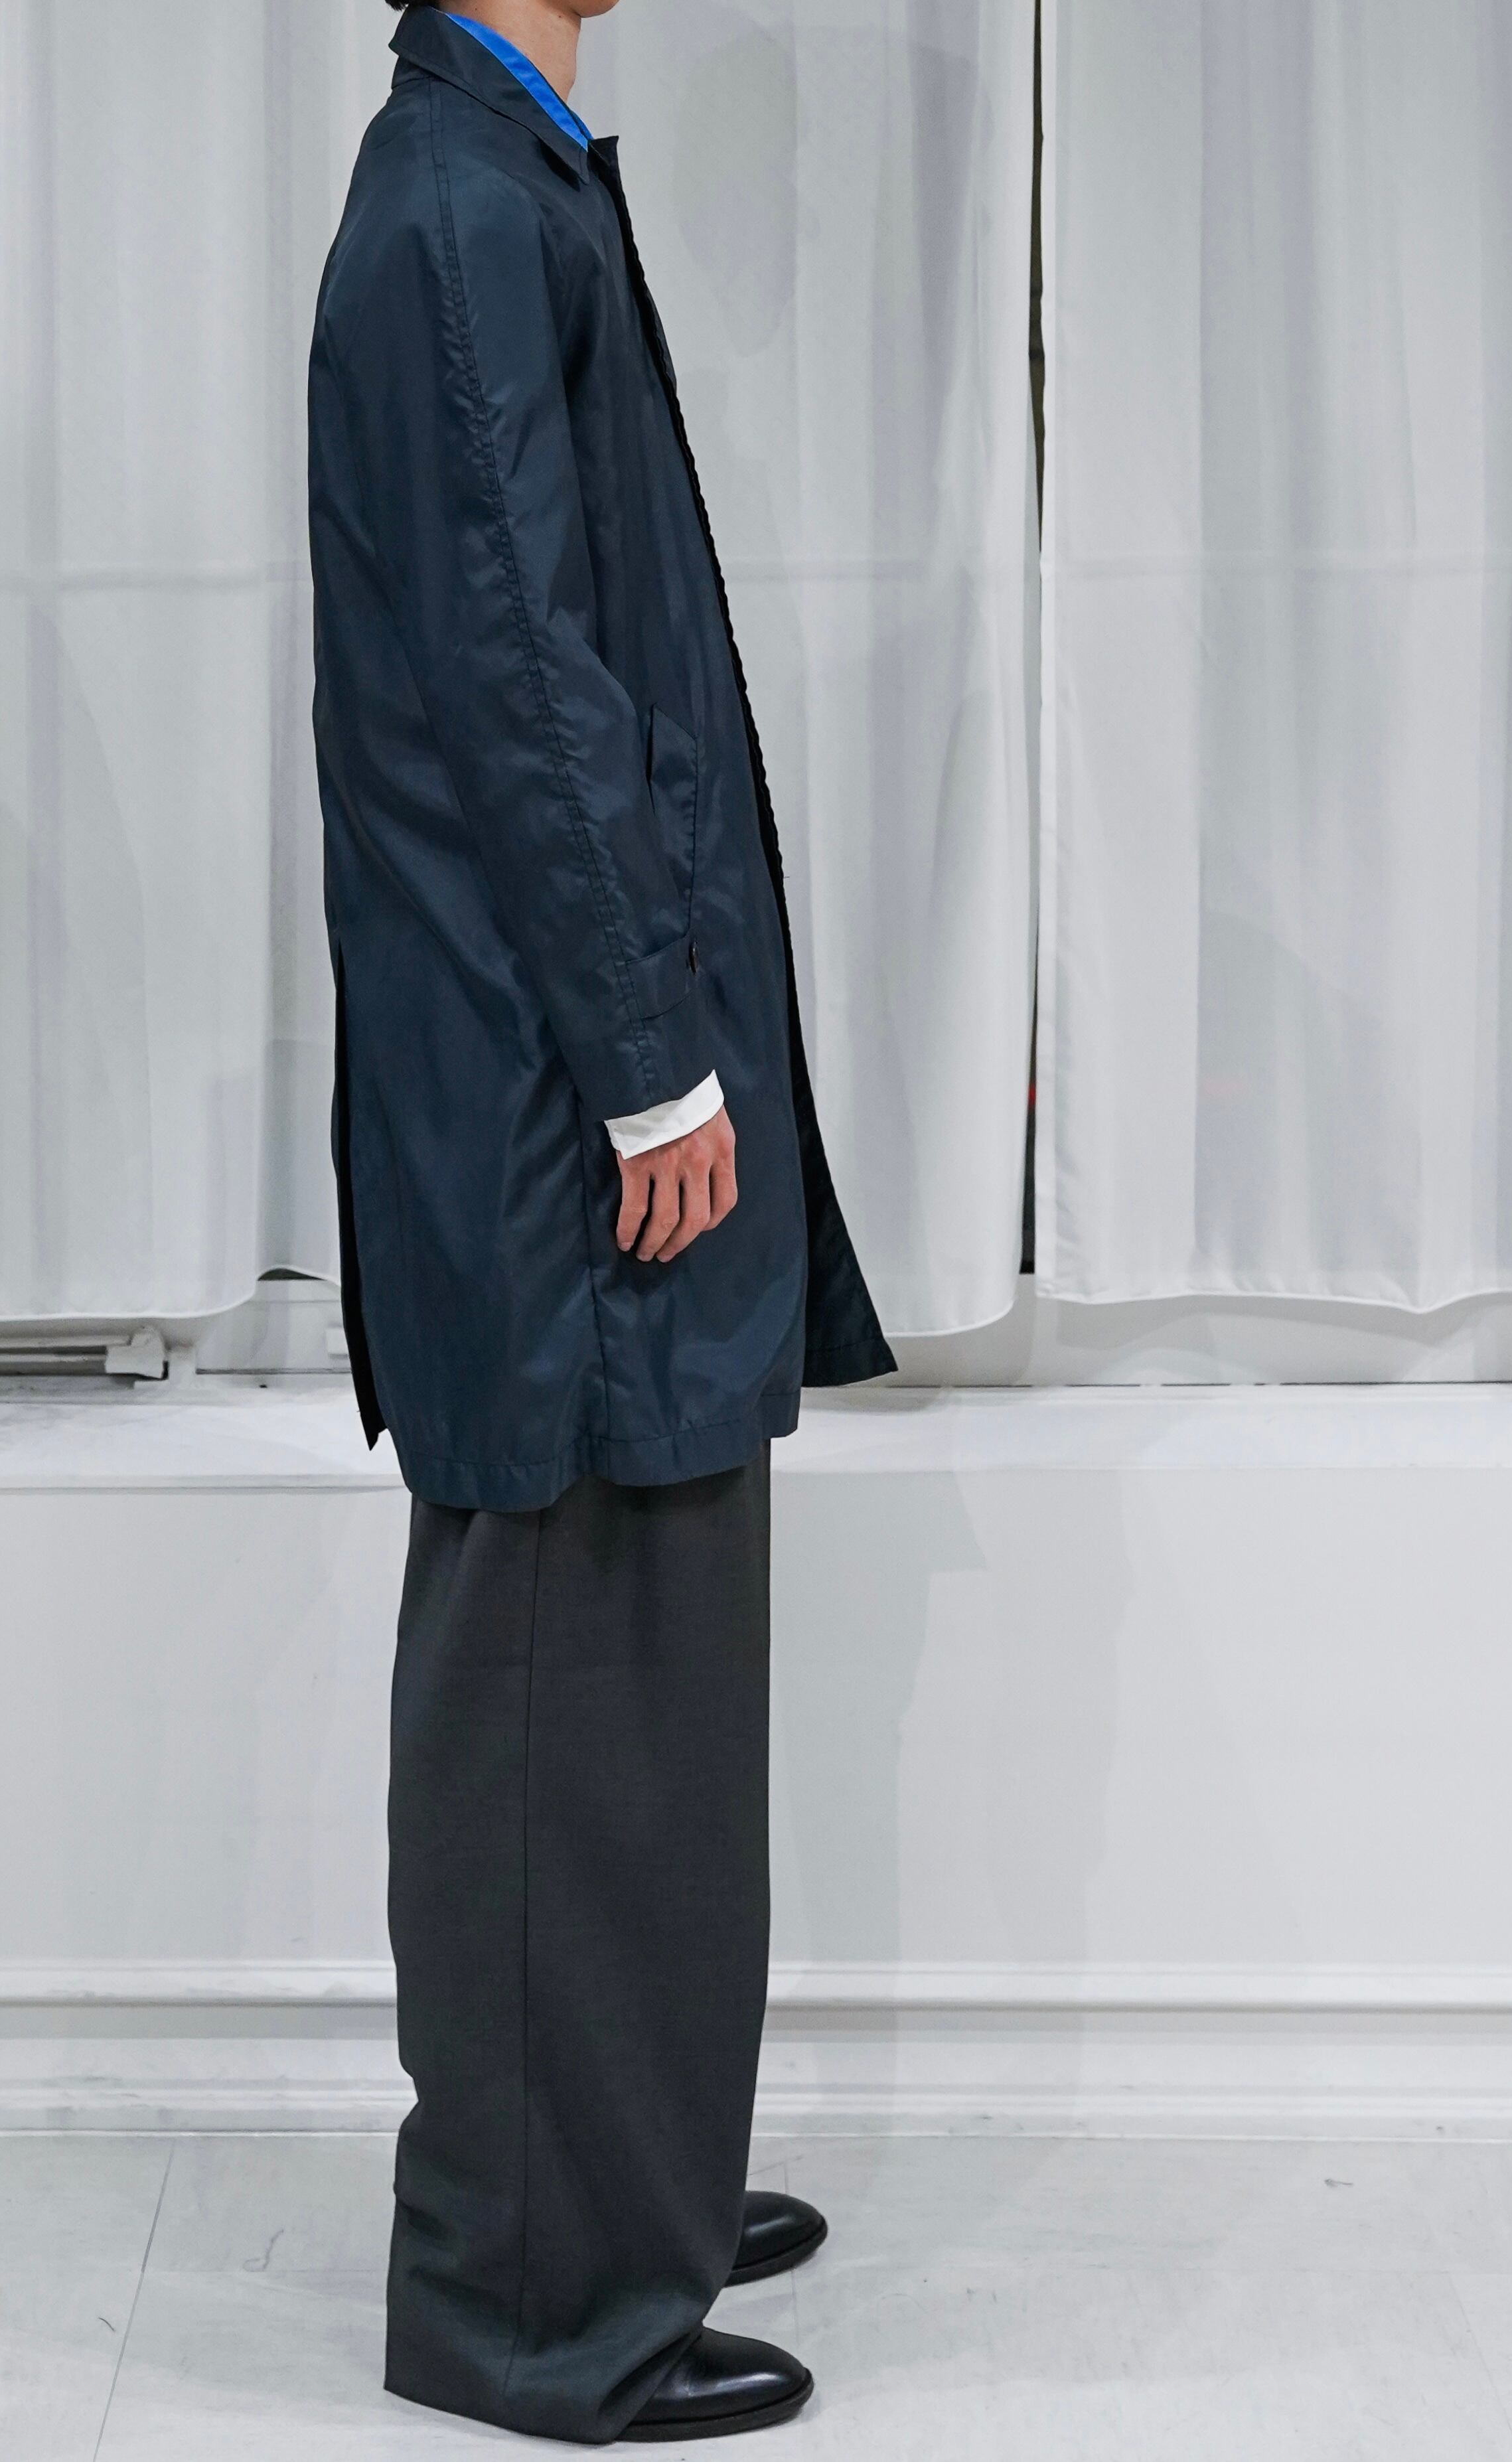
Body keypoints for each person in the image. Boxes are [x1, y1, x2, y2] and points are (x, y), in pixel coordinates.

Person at [308, 0, 896, 2441]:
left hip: (567, 1076)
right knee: (558, 1668)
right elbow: (524, 688)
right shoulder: (460, 205)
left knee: (642, 1659)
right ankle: (533, 2291)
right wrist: (651, 1049)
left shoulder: (509, 178)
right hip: (555, 1110)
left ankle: (619, 2165)